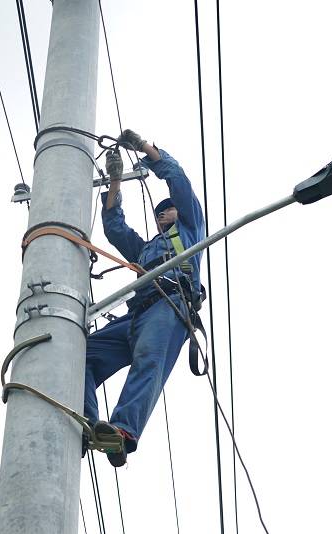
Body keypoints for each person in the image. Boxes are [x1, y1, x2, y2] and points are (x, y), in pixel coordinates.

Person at [84, 129, 205, 467]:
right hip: (136, 314)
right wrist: (115, 181)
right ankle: (91, 424)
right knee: (83, 356)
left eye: (168, 210)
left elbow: (177, 179)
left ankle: (122, 431)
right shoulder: (147, 248)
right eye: (159, 212)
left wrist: (143, 147)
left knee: (149, 359)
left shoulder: (192, 229)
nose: (162, 214)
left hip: (169, 305)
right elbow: (115, 228)